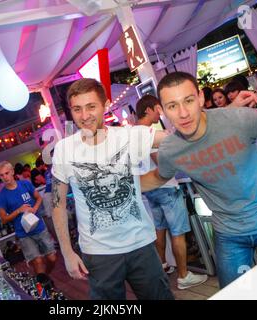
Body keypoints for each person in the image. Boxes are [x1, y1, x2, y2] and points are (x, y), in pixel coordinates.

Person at [141, 71, 257, 288]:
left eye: (188, 101)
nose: (183, 113)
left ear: (200, 98)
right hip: (229, 235)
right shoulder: (170, 149)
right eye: (172, 106)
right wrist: (119, 185)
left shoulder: (238, 118)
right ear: (161, 111)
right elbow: (158, 177)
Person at [51, 78, 173, 300]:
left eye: (91, 106)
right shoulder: (63, 150)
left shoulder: (128, 135)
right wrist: (67, 253)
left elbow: (172, 139)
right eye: (77, 109)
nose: (85, 115)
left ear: (105, 105)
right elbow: (57, 204)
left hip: (141, 245)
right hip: (99, 254)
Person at [135, 94, 208, 289]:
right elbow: (160, 161)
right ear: (148, 110)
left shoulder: (133, 133)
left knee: (160, 229)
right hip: (165, 187)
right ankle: (184, 276)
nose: (159, 113)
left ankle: (163, 265)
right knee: (178, 232)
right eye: (157, 109)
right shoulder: (147, 132)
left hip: (149, 189)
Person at [0, 161, 56, 275]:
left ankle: (45, 277)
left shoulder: (25, 184)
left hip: (39, 227)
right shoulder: (2, 196)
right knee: (37, 261)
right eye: (1, 175)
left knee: (52, 258)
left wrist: (34, 209)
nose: (5, 177)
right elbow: (3, 219)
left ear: (12, 172)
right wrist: (19, 210)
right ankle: (43, 283)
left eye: (7, 173)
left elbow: (38, 198)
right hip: (23, 234)